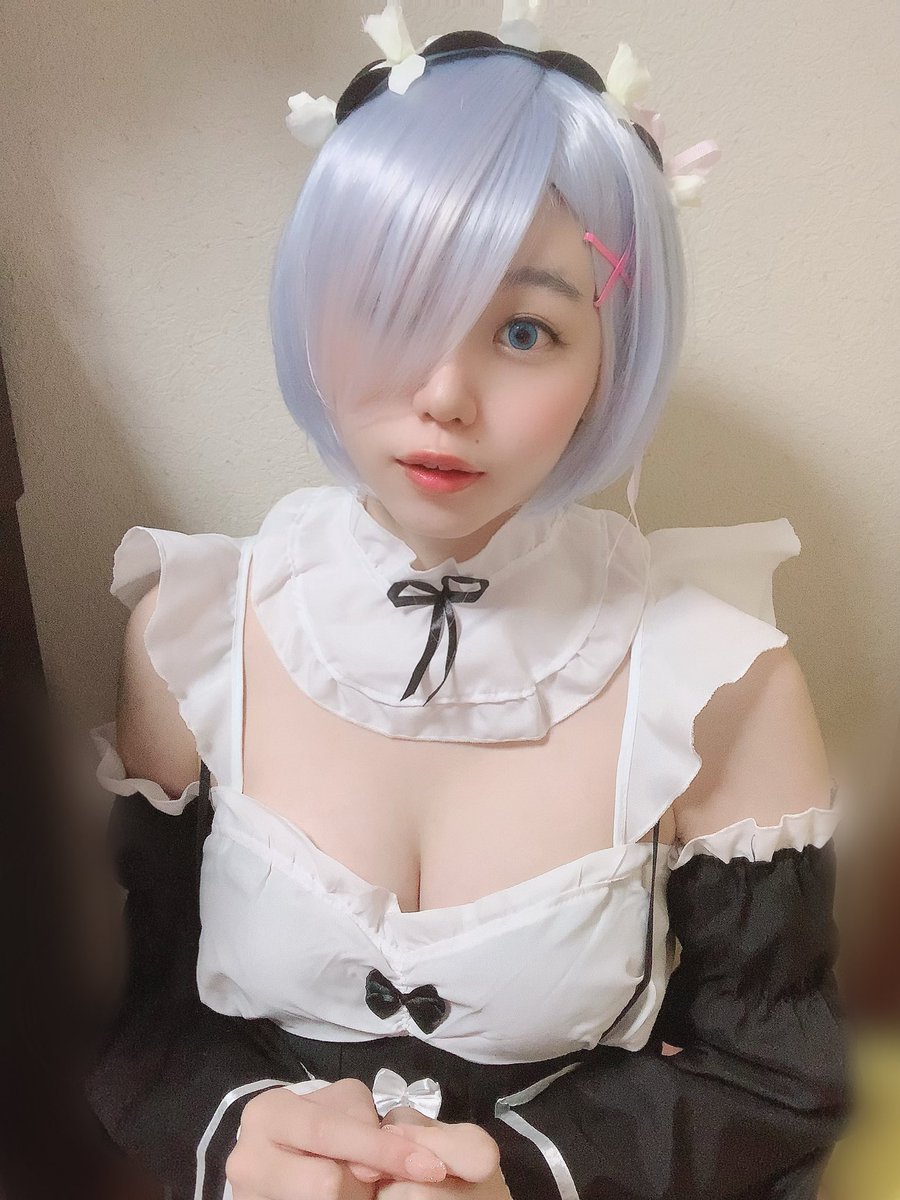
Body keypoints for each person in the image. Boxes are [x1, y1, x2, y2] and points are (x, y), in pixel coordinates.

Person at [88, 4, 852, 1197]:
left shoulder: (716, 677)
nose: (445, 392)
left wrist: (526, 1175)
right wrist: (237, 1136)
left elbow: (774, 1081)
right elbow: (134, 1020)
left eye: (526, 329)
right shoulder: (192, 635)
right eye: (393, 304)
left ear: (612, 357)